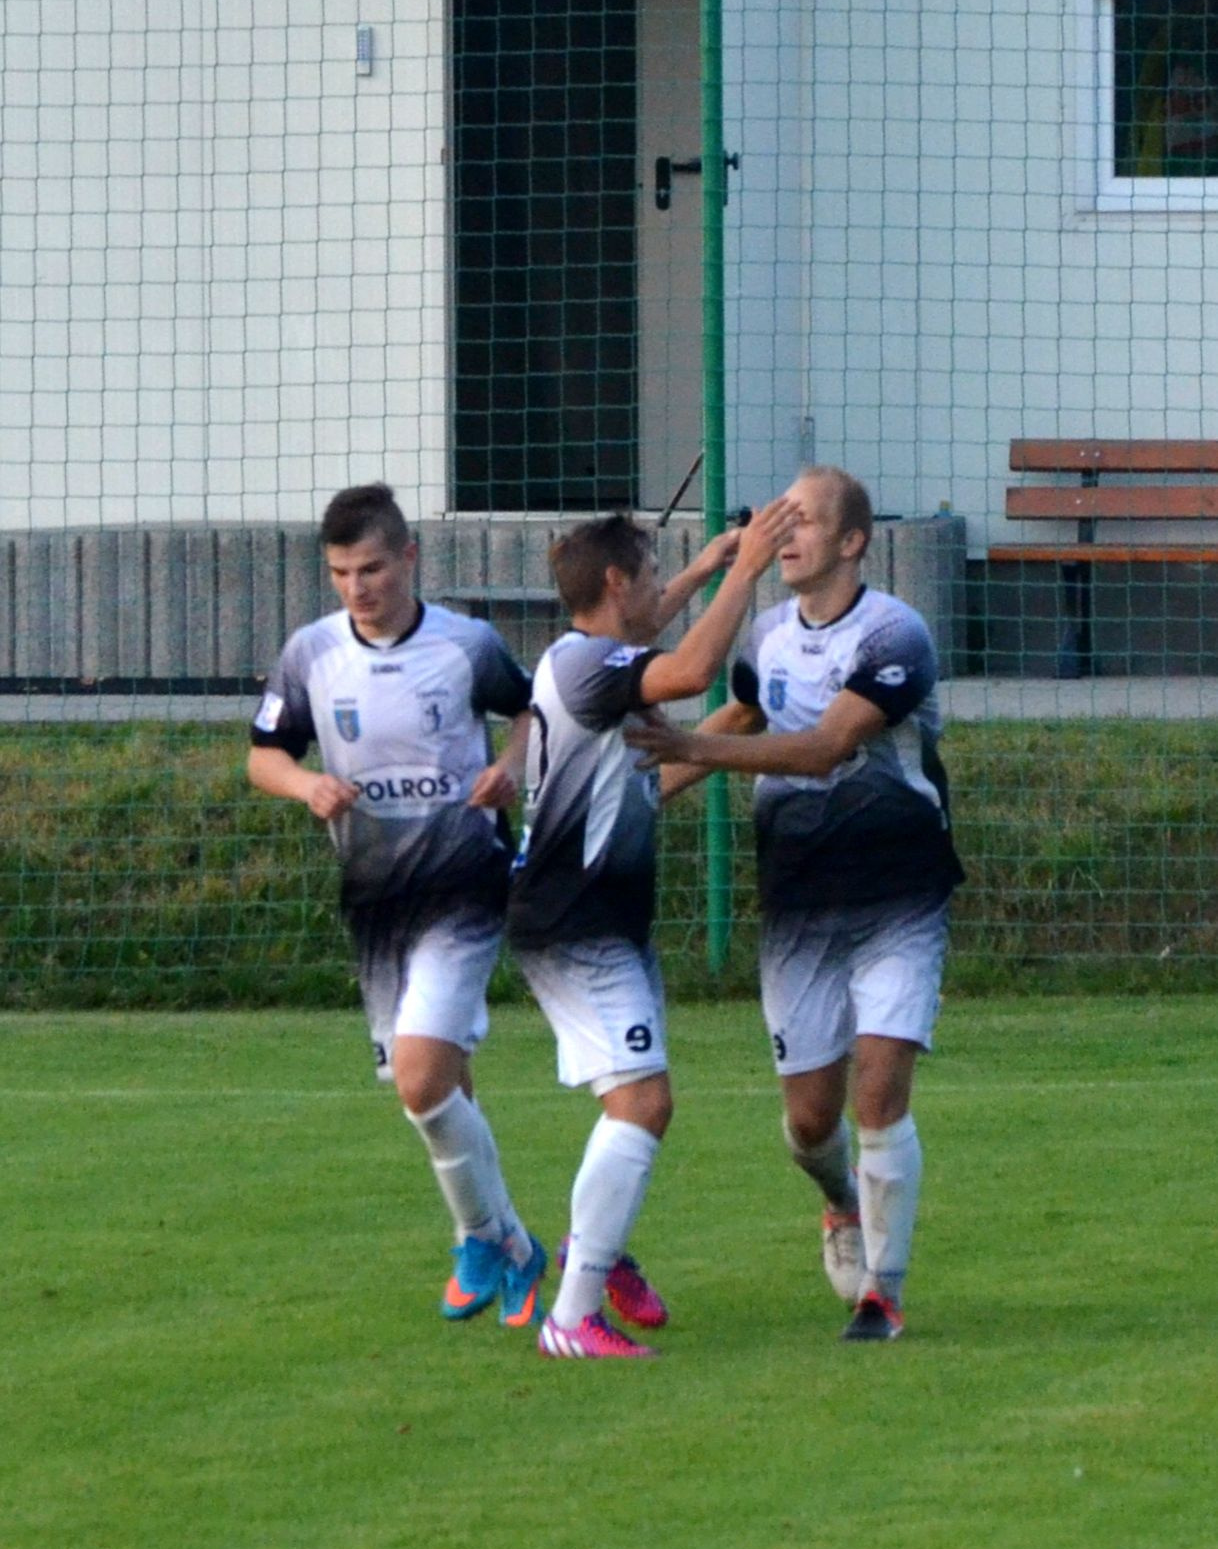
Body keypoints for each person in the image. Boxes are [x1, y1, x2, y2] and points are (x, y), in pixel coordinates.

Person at [627, 466, 964, 1342]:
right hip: (800, 902)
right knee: (811, 1122)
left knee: (879, 1089)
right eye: (777, 519)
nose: (783, 534)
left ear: (852, 541)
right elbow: (744, 718)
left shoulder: (896, 633)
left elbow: (822, 749)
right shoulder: (767, 635)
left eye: (803, 520)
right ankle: (839, 1199)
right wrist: (637, 797)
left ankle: (883, 1294)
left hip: (898, 892)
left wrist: (686, 743)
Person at [247, 483, 547, 1330]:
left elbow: (533, 711)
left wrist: (511, 767)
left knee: (421, 1079)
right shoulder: (311, 652)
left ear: (409, 557)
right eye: (341, 572)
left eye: (372, 568)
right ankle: (504, 1242)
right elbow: (263, 755)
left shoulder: (466, 645)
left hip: (464, 882)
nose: (358, 587)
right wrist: (307, 785)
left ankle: (487, 1238)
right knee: (439, 1082)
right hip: (376, 897)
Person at [507, 498, 800, 1359]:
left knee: (631, 1102)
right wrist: (749, 567)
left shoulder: (588, 663)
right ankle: (571, 1318)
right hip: (576, 926)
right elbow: (691, 668)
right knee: (643, 1102)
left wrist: (707, 568)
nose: (658, 587)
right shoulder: (590, 668)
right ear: (614, 583)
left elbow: (655, 662)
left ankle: (597, 1250)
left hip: (598, 920)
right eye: (650, 574)